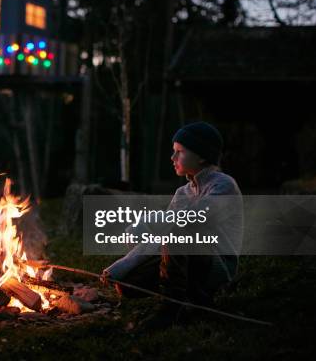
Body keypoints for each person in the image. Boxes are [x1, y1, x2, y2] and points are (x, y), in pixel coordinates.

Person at [103, 121, 243, 328]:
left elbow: (188, 222)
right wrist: (128, 257)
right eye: (173, 151)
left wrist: (148, 226)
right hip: (185, 256)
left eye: (179, 152)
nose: (172, 158)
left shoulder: (223, 185)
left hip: (216, 262)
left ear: (202, 156)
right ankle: (193, 298)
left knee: (178, 231)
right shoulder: (183, 193)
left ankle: (171, 309)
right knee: (127, 285)